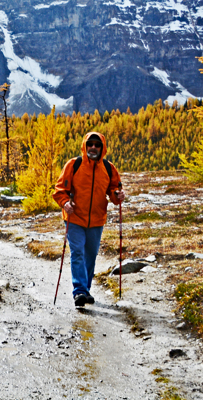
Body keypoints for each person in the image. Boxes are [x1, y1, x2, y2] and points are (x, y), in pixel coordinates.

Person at [53, 131, 125, 307]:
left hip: (96, 220)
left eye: (97, 144)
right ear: (85, 146)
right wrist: (65, 204)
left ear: (102, 148)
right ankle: (79, 292)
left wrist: (118, 196)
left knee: (90, 256)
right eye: (90, 144)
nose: (93, 147)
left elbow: (114, 192)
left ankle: (86, 290)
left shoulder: (109, 168)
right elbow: (59, 191)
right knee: (77, 252)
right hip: (74, 218)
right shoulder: (74, 165)